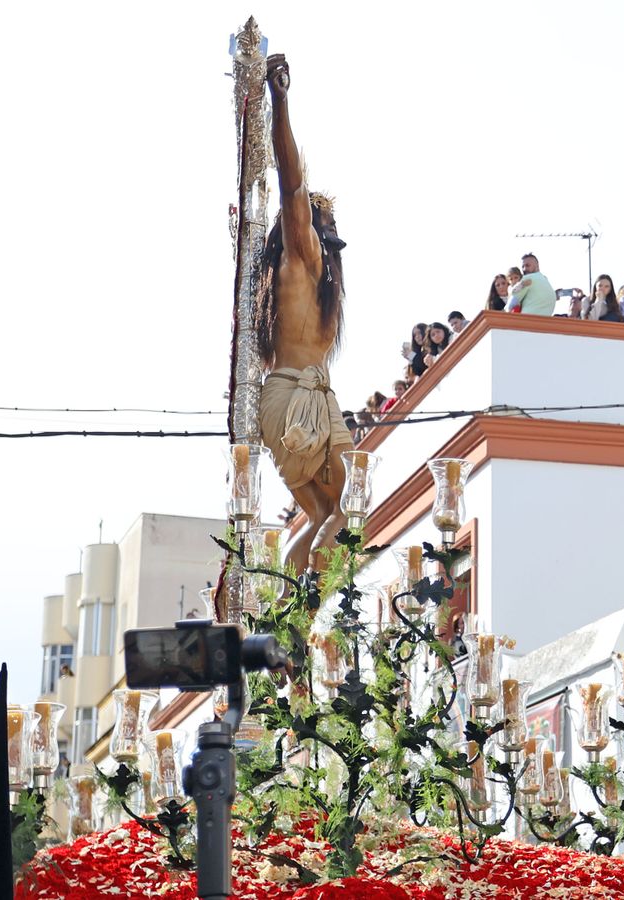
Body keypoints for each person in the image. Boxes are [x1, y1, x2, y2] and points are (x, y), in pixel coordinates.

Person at [253, 52, 354, 574]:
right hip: (297, 398)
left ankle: (289, 620)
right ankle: (313, 608)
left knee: (324, 515)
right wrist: (281, 100)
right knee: (351, 505)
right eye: (324, 224)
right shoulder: (304, 254)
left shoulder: (309, 284)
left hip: (293, 399)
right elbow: (292, 180)